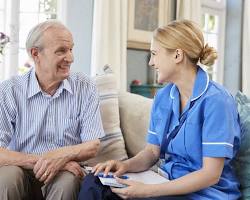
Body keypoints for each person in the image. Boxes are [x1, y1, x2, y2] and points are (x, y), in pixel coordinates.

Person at [78, 20, 242, 200]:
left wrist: (146, 191)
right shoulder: (164, 97)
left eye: (155, 54)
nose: (151, 62)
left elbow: (210, 175)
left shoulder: (217, 101)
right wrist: (124, 165)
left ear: (177, 55)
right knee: (95, 182)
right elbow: (151, 153)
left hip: (204, 194)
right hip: (165, 182)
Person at [0, 20, 105, 200]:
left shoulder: (85, 86)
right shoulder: (9, 90)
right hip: (21, 170)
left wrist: (61, 157)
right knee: (7, 177)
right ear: (36, 54)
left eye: (71, 49)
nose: (70, 58)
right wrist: (48, 161)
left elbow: (92, 145)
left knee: (67, 181)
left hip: (64, 175)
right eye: (61, 51)